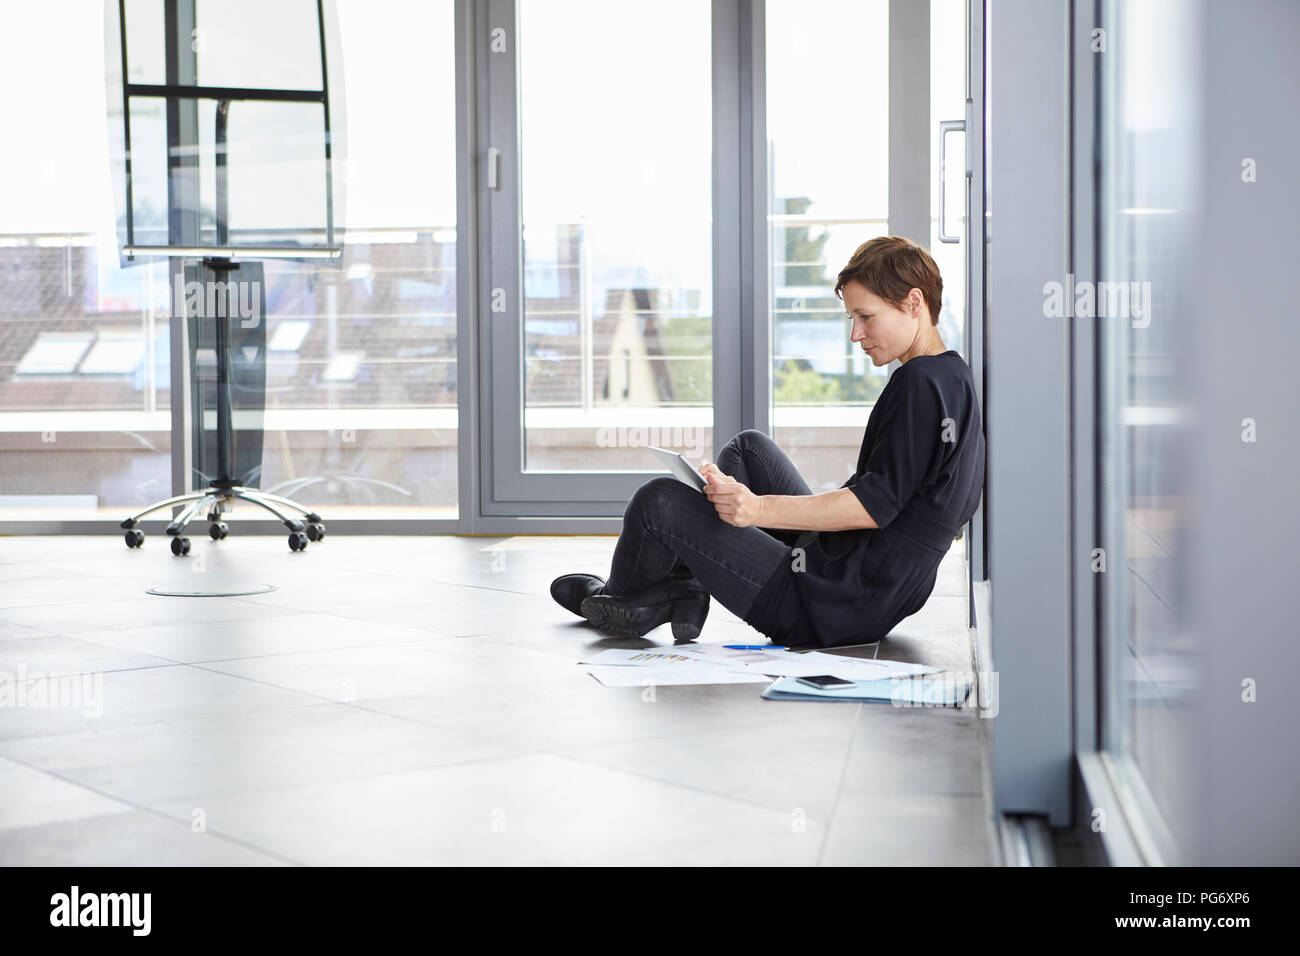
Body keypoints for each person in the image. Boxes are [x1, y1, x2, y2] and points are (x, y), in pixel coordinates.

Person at [550, 236, 986, 648]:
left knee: (660, 500)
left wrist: (755, 509)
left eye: (866, 317)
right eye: (852, 318)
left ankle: (627, 598)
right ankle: (683, 583)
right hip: (862, 584)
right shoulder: (952, 376)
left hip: (829, 602)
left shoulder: (920, 384)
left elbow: (870, 507)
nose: (856, 334)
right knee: (747, 449)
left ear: (914, 302)